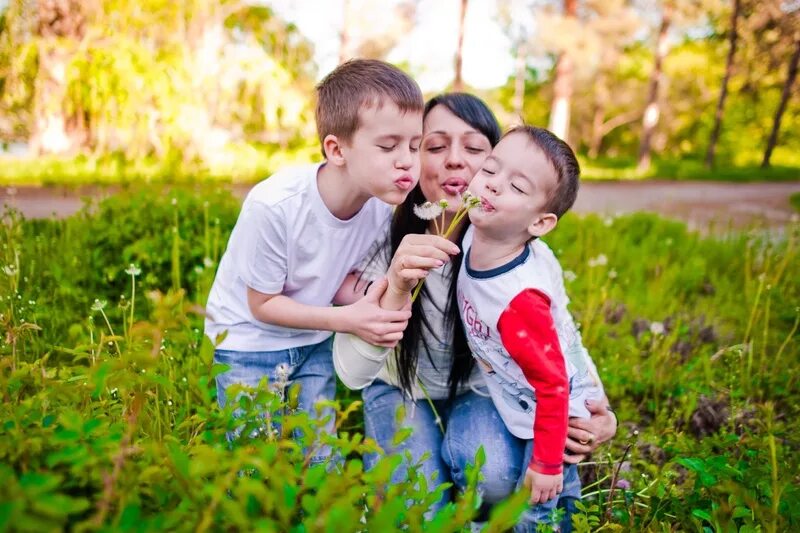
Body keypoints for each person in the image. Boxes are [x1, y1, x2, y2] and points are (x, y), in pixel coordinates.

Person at [333, 94, 617, 520]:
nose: (454, 161)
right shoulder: (381, 229)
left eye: (475, 149)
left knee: (495, 477)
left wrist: (600, 408)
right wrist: (395, 285)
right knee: (416, 505)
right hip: (402, 388)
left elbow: (561, 336)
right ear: (413, 157)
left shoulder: (521, 259)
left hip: (480, 390)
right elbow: (353, 374)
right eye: (434, 146)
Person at [204, 59, 424, 464]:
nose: (407, 161)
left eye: (415, 145)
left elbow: (338, 273)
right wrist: (352, 319)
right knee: (253, 466)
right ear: (337, 149)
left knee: (320, 460)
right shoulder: (276, 206)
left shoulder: (379, 206)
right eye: (389, 146)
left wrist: (375, 294)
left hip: (311, 342)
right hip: (248, 343)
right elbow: (263, 305)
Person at [455, 125, 605, 531]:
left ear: (540, 223)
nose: (493, 186)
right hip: (520, 392)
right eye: (489, 169)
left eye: (517, 187)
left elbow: (553, 385)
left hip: (555, 410)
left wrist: (546, 463)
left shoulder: (519, 300)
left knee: (541, 503)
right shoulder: (476, 234)